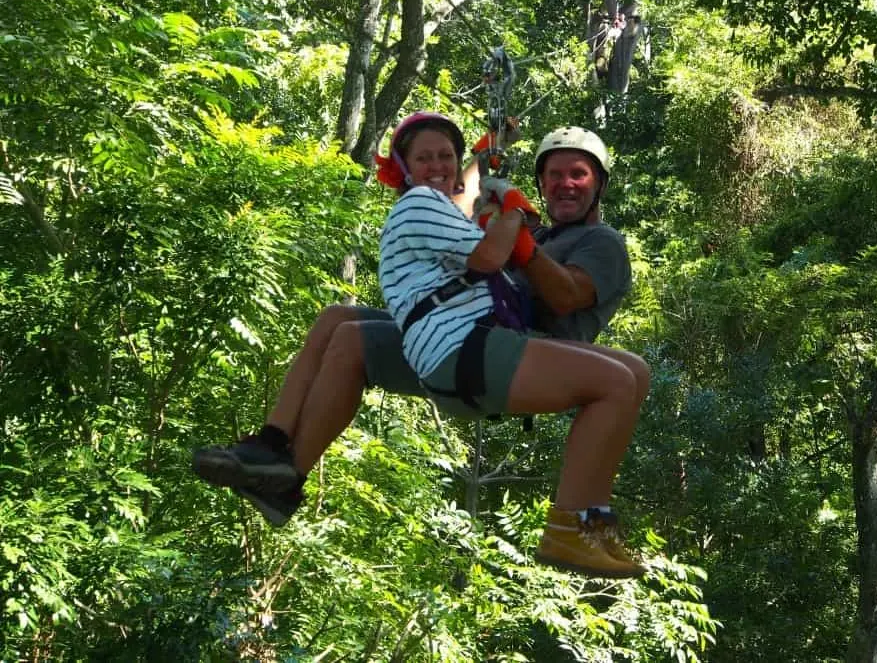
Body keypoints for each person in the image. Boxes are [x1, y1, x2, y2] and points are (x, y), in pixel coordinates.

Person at [192, 113, 650, 578]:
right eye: (554, 175)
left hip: (516, 352)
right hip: (464, 338)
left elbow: (566, 294)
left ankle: (581, 525)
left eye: (578, 174)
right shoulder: (533, 230)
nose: (565, 184)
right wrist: (485, 154)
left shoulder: (600, 240)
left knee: (627, 375)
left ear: (599, 184)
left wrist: (515, 229)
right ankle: (279, 465)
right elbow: (451, 193)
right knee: (342, 327)